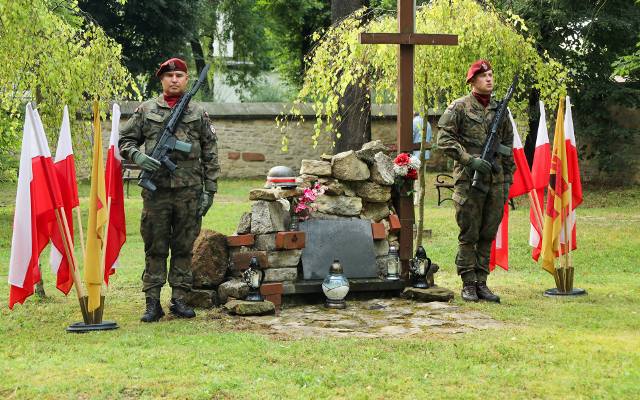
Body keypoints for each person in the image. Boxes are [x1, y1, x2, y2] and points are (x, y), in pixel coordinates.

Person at [119, 58, 220, 322]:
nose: (174, 80)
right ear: (161, 80)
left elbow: (210, 153)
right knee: (155, 246)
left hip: (189, 191)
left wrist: (210, 189)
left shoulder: (198, 112)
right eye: (169, 76)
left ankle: (180, 299)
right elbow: (125, 140)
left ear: (186, 80)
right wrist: (137, 157)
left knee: (184, 246)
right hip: (157, 192)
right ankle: (152, 302)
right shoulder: (146, 109)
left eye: (179, 75)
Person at [436, 59, 514, 303]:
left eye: (491, 75)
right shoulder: (459, 107)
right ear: (472, 81)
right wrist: (470, 160)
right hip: (469, 181)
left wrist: (508, 180)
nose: (489, 79)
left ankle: (482, 282)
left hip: (496, 180)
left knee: (488, 233)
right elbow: (444, 140)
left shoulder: (500, 110)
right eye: (484, 76)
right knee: (469, 233)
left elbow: (508, 146)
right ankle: (468, 283)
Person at [412, 111, 432, 205]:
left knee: (415, 177)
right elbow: (429, 138)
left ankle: (416, 200)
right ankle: (420, 198)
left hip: (415, 155)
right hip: (425, 154)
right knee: (422, 177)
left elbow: (410, 138)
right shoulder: (427, 123)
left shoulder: (413, 122)